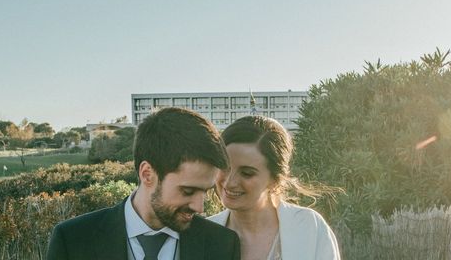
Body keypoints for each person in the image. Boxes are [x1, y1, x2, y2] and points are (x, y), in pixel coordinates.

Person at [47, 107, 241, 260]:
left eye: (205, 191)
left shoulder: (222, 244)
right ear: (147, 174)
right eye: (188, 191)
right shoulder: (73, 240)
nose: (199, 207)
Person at [209, 115, 340, 260]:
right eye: (224, 167)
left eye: (246, 173)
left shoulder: (309, 228)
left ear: (275, 180)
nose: (229, 182)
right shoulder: (202, 234)